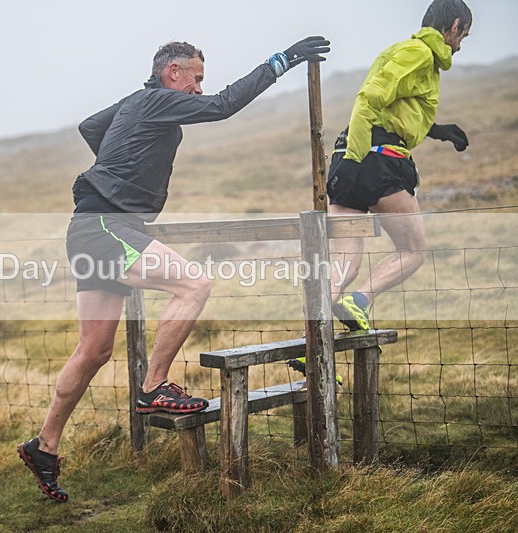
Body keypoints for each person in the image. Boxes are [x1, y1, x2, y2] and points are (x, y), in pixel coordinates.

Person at [18, 36, 331, 502]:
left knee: (93, 351)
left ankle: (43, 446)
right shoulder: (159, 100)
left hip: (93, 224)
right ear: (174, 74)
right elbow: (225, 106)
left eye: (202, 80)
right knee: (195, 284)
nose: (200, 89)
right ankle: (153, 387)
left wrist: (119, 164)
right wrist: (280, 61)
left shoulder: (139, 102)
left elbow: (90, 126)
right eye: (197, 78)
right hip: (106, 225)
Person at [325, 0, 471, 332]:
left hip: (349, 159)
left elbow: (390, 107)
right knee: (413, 250)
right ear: (454, 25)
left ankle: (312, 346)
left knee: (343, 263)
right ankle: (359, 301)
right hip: (374, 160)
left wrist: (435, 130)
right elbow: (368, 99)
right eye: (464, 34)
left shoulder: (402, 50)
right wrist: (356, 158)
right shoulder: (419, 54)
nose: (462, 43)